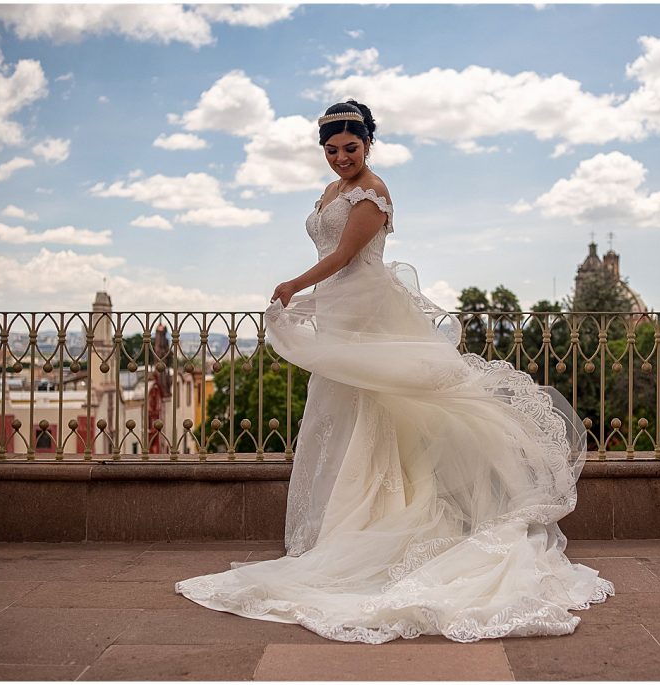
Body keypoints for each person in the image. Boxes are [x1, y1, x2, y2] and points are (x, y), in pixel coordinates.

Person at [175, 100, 613, 643]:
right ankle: (344, 530)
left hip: (366, 316)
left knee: (373, 414)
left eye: (350, 149)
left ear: (368, 144)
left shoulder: (372, 193)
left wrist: (293, 286)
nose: (340, 159)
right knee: (341, 415)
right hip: (341, 312)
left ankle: (376, 528)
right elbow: (336, 267)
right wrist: (313, 305)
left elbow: (343, 258)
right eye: (331, 151)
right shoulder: (334, 191)